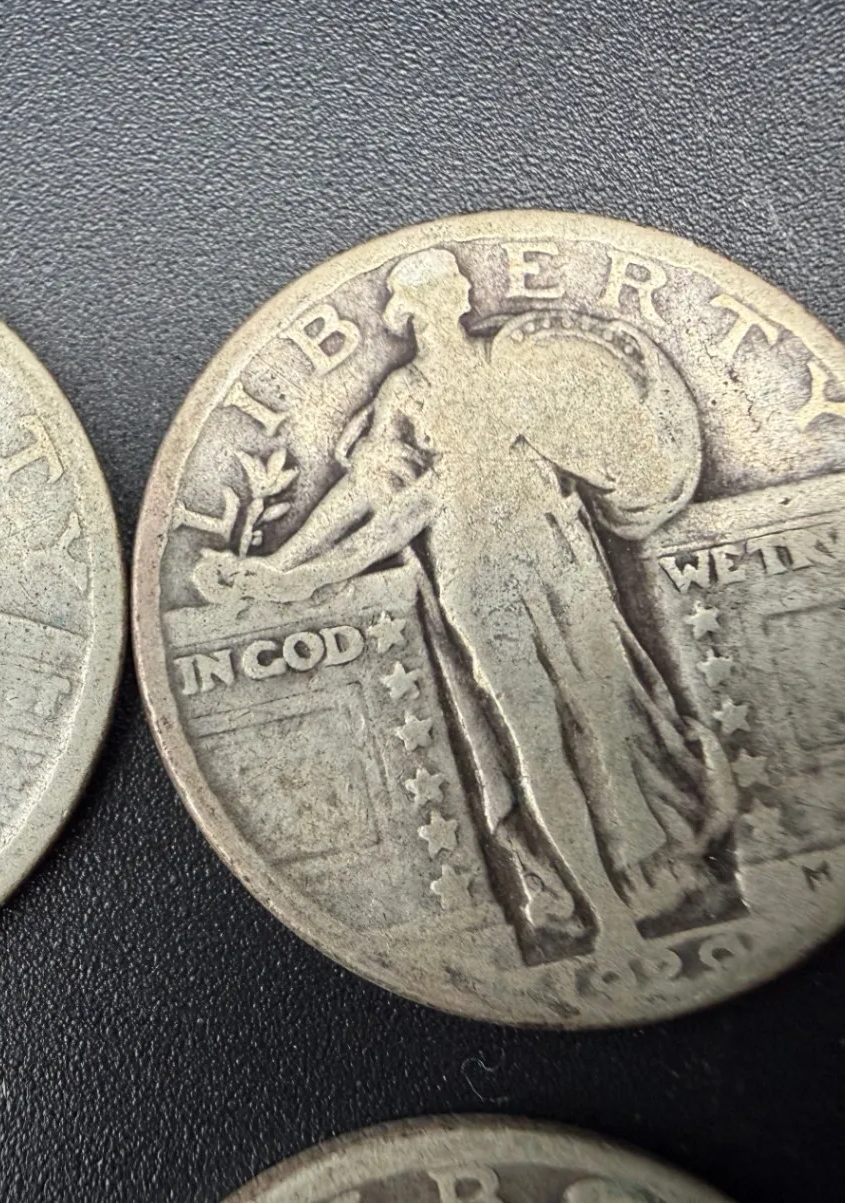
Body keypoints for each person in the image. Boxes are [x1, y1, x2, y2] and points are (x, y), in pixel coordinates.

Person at [196, 248, 738, 961]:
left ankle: (656, 876)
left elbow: (601, 444)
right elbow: (371, 496)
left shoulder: (516, 361)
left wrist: (634, 469)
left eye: (449, 284)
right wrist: (284, 565)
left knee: (609, 711)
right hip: (474, 571)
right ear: (405, 311)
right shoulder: (404, 393)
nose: (444, 297)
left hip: (556, 553)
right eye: (426, 291)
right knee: (533, 739)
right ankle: (606, 915)